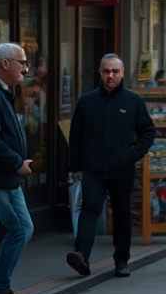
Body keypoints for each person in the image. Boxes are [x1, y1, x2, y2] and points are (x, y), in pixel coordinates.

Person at [66, 54, 156, 278]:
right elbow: (75, 136)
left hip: (121, 169)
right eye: (106, 71)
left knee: (122, 213)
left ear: (122, 73)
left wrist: (132, 154)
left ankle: (122, 260)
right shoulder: (87, 102)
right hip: (93, 169)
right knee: (90, 209)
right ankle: (81, 255)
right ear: (100, 72)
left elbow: (148, 131)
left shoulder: (133, 101)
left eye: (115, 72)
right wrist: (76, 166)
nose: (110, 76)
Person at [0, 43, 35, 294]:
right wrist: (17, 162)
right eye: (22, 62)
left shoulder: (3, 91)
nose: (25, 68)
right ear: (5, 64)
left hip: (8, 179)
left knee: (22, 229)